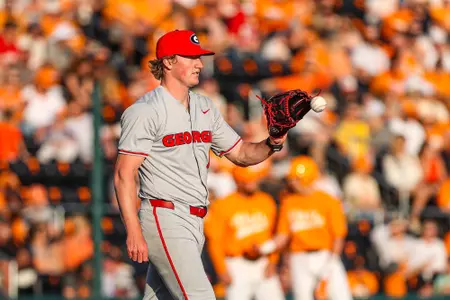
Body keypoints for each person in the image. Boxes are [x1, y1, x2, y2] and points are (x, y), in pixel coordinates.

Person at [113, 29, 287, 300]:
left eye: (200, 58)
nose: (200, 64)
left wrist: (273, 141)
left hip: (195, 220)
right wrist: (133, 228)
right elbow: (124, 175)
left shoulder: (205, 106)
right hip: (164, 216)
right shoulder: (145, 110)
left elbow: (241, 153)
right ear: (168, 62)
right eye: (192, 57)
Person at [253, 156, 352, 300]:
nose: (292, 183)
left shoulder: (328, 200)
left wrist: (332, 261)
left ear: (306, 178)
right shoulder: (289, 202)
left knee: (340, 296)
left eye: (296, 179)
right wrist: (266, 247)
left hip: (325, 256)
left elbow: (338, 235)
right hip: (299, 258)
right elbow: (283, 235)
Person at [205, 164, 284, 300]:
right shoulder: (223, 204)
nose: (252, 183)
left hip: (263, 262)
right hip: (236, 264)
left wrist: (272, 261)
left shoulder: (266, 201)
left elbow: (274, 235)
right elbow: (215, 241)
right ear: (238, 181)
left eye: (254, 179)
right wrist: (222, 270)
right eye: (248, 180)